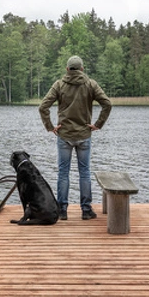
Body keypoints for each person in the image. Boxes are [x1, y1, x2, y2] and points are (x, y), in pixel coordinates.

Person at [39, 55, 112, 220]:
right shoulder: (91, 84)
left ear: (67, 69)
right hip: (84, 135)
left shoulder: (59, 85)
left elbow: (43, 106)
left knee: (63, 173)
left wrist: (50, 127)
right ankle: (86, 210)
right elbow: (107, 104)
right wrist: (98, 124)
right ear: (82, 69)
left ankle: (62, 211)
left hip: (64, 135)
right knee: (84, 173)